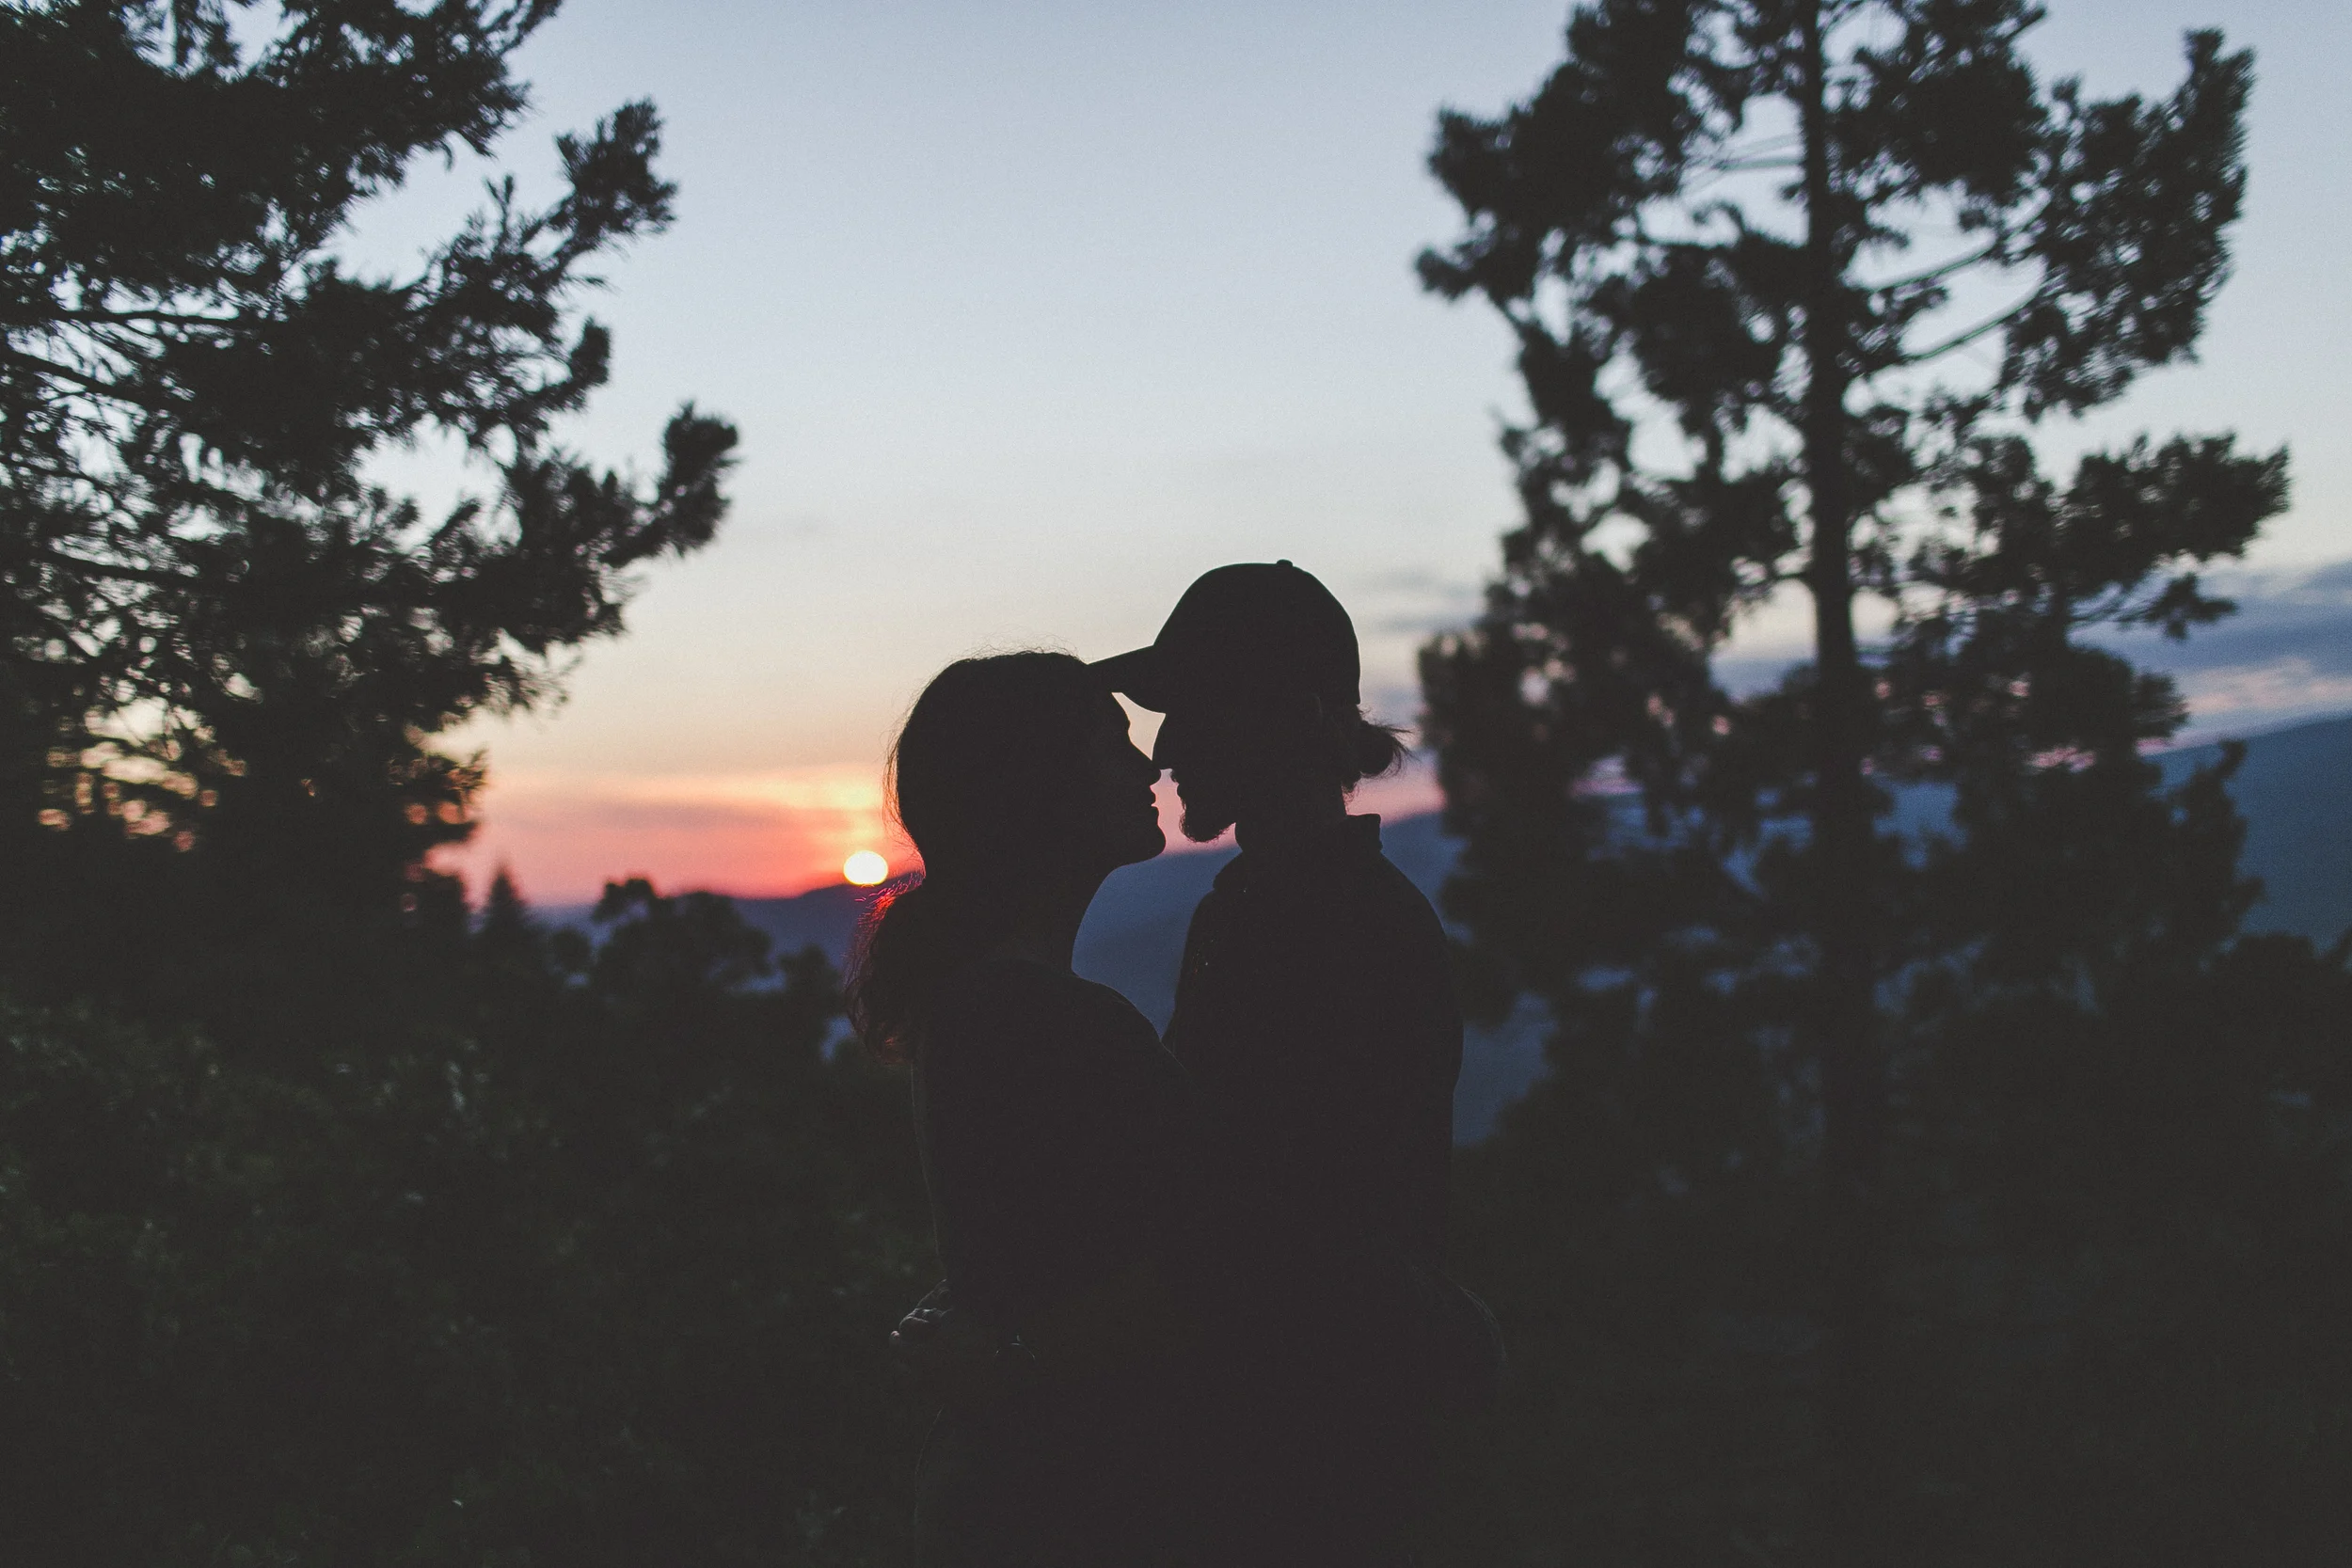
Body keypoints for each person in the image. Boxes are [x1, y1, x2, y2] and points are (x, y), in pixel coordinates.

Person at [1092, 561, 1491, 1566]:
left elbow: (1270, 1223)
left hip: (1308, 1463)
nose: (1167, 747)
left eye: (1201, 712)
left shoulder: (1323, 923)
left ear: (1298, 716)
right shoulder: (1269, 905)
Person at [847, 651, 1213, 1567]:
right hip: (1074, 1506)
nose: (1148, 767)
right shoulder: (1036, 1016)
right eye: (1113, 745)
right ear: (1041, 788)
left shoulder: (984, 1002)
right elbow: (1207, 1268)